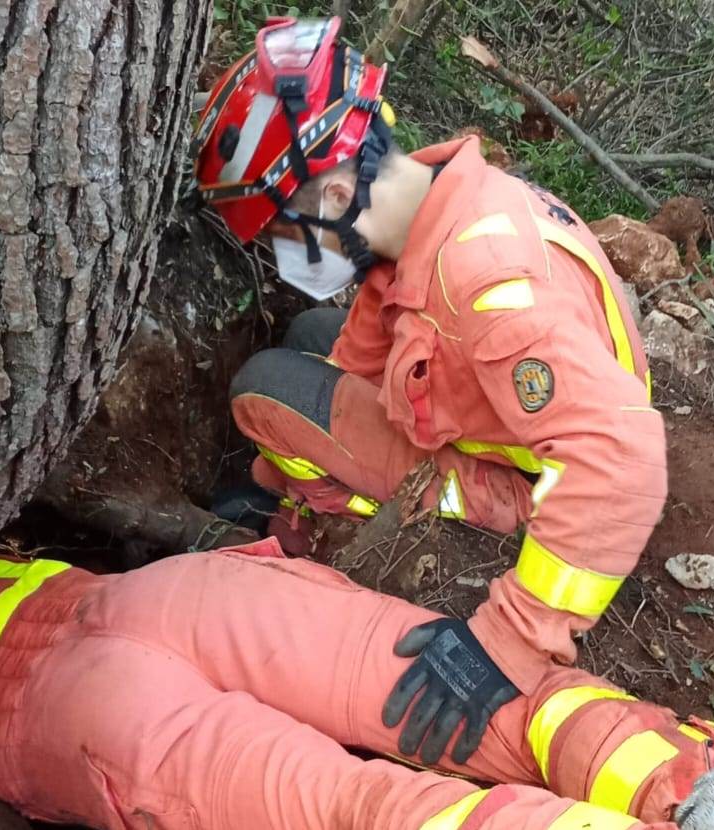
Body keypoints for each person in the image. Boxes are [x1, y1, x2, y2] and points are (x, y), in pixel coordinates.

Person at [193, 16, 666, 765]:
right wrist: (275, 476)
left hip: (543, 486)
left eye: (285, 235)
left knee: (264, 390)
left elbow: (625, 457)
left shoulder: (486, 286)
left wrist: (506, 644)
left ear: (336, 191)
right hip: (520, 412)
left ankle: (333, 521)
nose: (286, 259)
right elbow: (364, 347)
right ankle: (295, 491)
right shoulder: (434, 206)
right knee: (314, 337)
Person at [0, 541, 714, 830]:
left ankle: (702, 793)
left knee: (488, 718)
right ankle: (702, 793)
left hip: (147, 611)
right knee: (382, 798)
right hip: (75, 697)